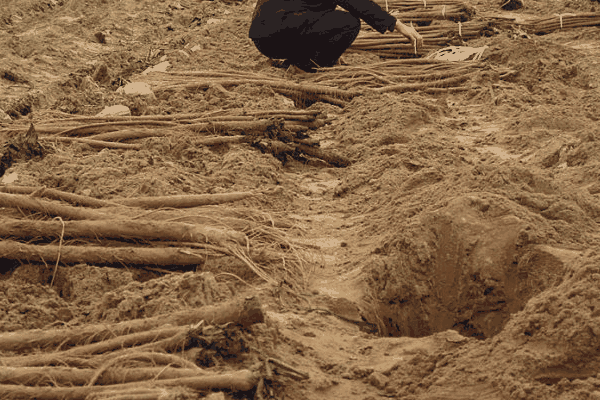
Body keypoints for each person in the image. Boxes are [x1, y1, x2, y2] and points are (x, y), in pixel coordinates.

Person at [249, 0, 424, 72]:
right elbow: (358, 4)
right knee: (348, 22)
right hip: (281, 33)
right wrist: (397, 25)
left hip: (262, 38)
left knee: (321, 20)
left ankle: (295, 61)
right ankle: (307, 67)